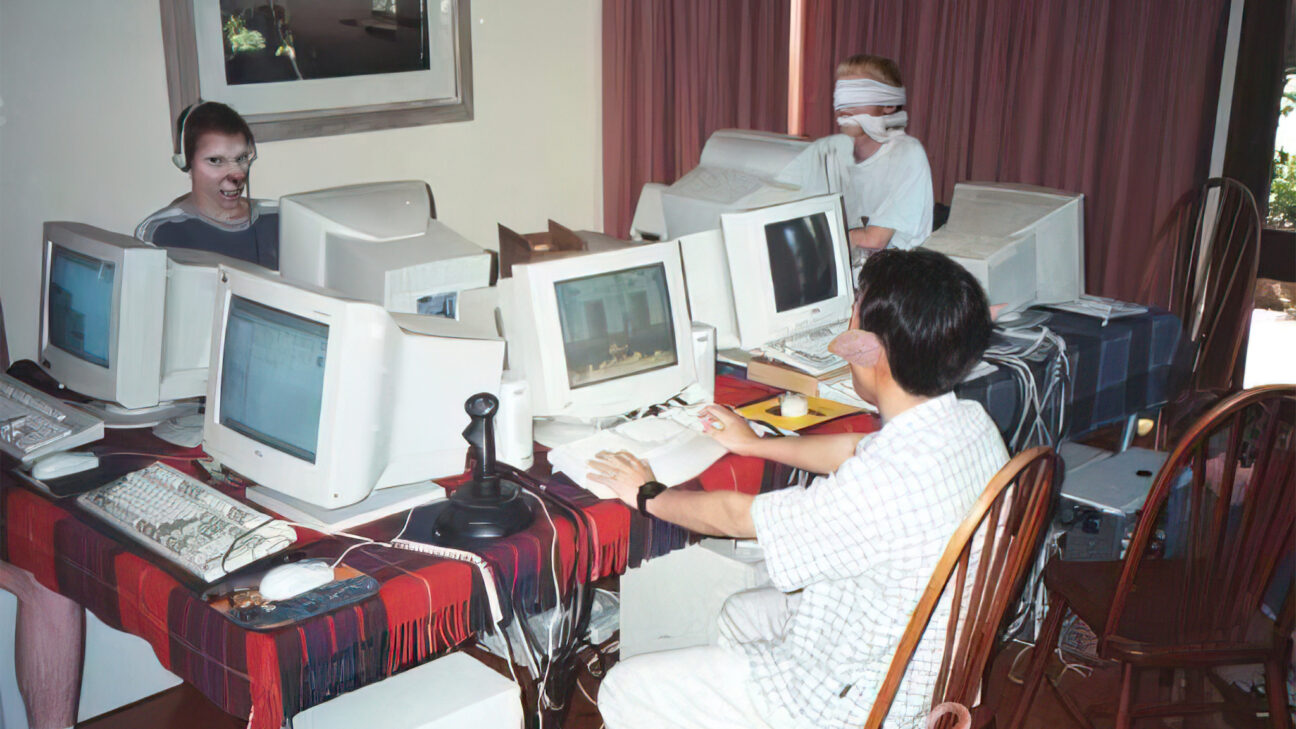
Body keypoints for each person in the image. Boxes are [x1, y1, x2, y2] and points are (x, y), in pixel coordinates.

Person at [591, 249, 1008, 729]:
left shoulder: (879, 487)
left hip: (864, 706)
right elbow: (856, 448)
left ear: (872, 352)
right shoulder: (969, 423)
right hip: (928, 658)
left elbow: (738, 517)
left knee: (623, 687)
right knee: (740, 614)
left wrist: (648, 494)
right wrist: (756, 445)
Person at [135, 101, 279, 269]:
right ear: (186, 162)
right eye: (215, 160)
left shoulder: (279, 218)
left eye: (241, 158)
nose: (237, 175)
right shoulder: (158, 232)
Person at [816, 54, 934, 252]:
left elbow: (874, 240)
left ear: (889, 105)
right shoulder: (834, 157)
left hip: (894, 268)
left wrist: (817, 239)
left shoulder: (907, 153)